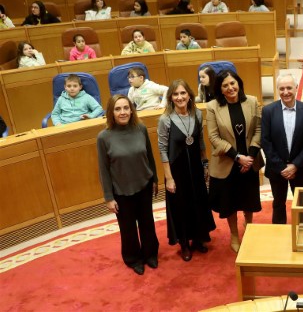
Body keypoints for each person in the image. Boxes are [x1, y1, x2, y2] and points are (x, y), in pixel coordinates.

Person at [97, 94, 159, 275]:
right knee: (128, 229)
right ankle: (133, 258)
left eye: (126, 108)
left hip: (144, 185)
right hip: (121, 191)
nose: (123, 112)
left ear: (131, 110)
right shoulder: (104, 137)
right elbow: (103, 170)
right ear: (111, 112)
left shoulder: (140, 128)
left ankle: (150, 254)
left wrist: (154, 179)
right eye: (118, 109)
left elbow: (149, 155)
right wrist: (108, 197)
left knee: (148, 223)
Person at [157, 80, 215, 262]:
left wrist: (205, 163)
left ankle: (198, 238)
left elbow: (200, 142)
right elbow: (162, 150)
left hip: (196, 168)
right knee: (181, 206)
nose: (180, 97)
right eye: (175, 94)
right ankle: (184, 243)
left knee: (197, 202)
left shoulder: (197, 114)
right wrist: (168, 178)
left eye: (183, 93)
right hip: (177, 170)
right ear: (171, 98)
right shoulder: (165, 119)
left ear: (189, 95)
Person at [206, 70, 263, 253]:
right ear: (220, 90)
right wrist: (238, 157)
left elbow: (259, 130)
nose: (230, 88)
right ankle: (234, 236)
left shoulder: (252, 101)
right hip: (228, 162)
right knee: (230, 202)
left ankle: (250, 227)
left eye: (233, 83)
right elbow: (213, 137)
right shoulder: (213, 106)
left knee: (249, 199)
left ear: (239, 84)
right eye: (225, 85)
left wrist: (250, 157)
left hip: (250, 161)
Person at [261, 73, 303, 224]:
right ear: (277, 90)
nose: (285, 92)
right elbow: (266, 142)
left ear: (296, 88)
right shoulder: (268, 111)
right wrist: (281, 167)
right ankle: (279, 233)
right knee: (278, 203)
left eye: (289, 88)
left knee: (301, 204)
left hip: (300, 169)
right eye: (282, 88)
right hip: (276, 169)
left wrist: (295, 165)